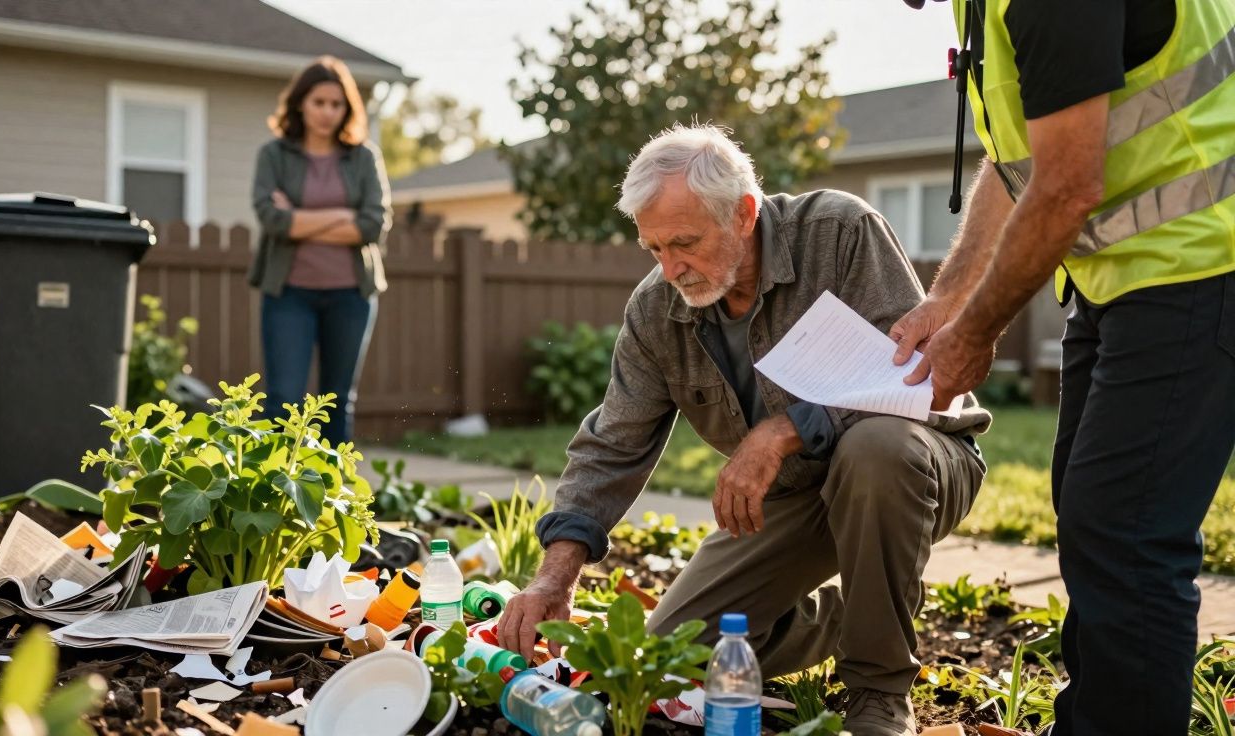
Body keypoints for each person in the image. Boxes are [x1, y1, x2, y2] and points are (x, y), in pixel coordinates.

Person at [496, 124, 992, 736]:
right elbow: (612, 443)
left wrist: (783, 430)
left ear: (743, 214)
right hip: (795, 494)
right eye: (654, 248)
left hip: (915, 459)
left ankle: (878, 692)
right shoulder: (656, 310)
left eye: (685, 242)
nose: (671, 267)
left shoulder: (839, 232)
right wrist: (554, 575)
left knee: (875, 450)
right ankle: (854, 614)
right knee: (672, 658)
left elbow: (912, 379)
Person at [892, 1, 1235, 733]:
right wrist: (949, 297)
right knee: (1092, 520)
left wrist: (976, 330)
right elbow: (1020, 160)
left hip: (1204, 262)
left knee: (1128, 535)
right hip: (1124, 276)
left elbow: (1066, 185)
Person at [250, 55, 391, 445]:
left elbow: (373, 225)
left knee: (336, 402)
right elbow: (272, 220)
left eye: (337, 104)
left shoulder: (364, 157)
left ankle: (333, 497)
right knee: (283, 401)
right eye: (319, 102)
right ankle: (274, 497)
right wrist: (341, 218)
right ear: (300, 103)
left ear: (347, 108)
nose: (328, 112)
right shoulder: (273, 155)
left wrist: (299, 219)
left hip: (351, 296)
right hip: (288, 295)